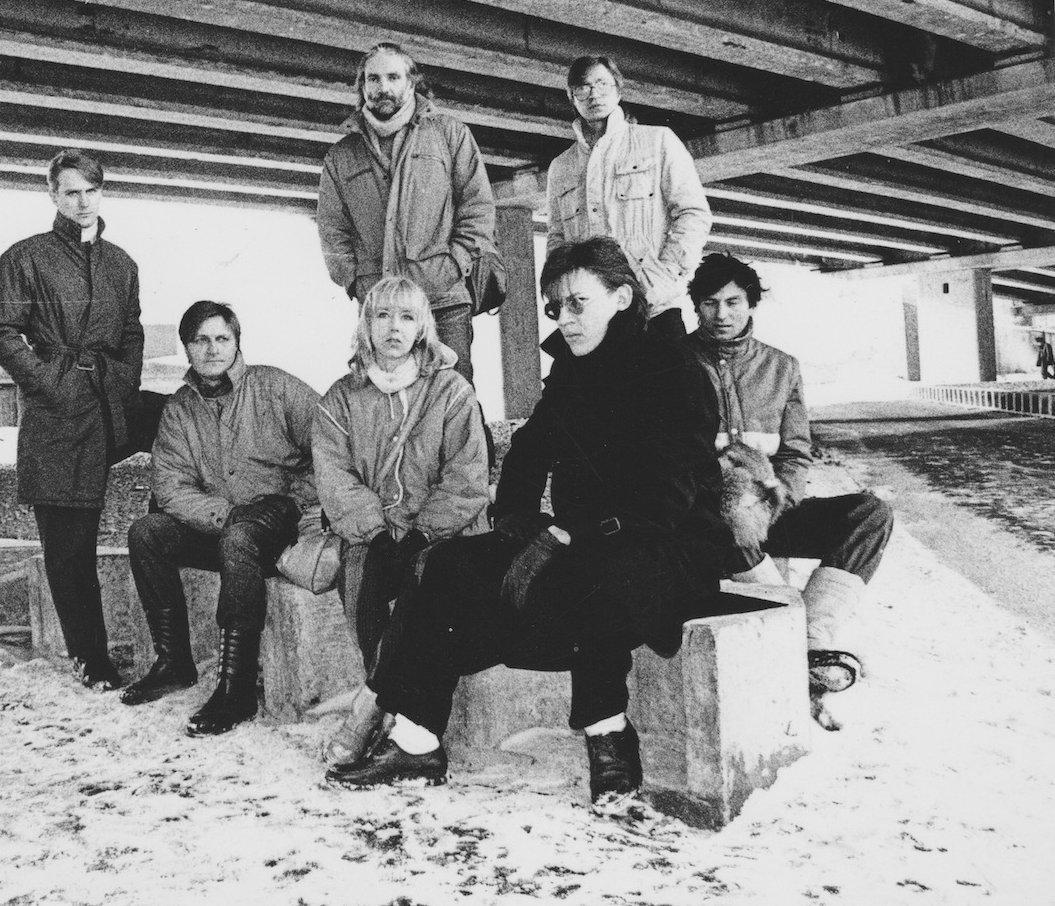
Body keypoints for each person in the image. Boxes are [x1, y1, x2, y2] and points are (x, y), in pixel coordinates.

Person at [328, 239, 728, 803]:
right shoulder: (571, 372)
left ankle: (609, 736)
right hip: (576, 536)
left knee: (598, 573)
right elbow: (528, 451)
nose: (564, 319)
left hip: (666, 543)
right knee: (447, 564)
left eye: (577, 304)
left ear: (620, 298)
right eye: (555, 307)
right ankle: (417, 742)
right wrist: (515, 518)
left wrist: (566, 534)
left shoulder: (672, 370)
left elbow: (666, 495)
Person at [684, 253, 894, 730]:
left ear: (751, 303)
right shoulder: (676, 363)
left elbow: (796, 453)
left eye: (733, 302)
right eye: (710, 303)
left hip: (770, 510)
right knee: (731, 511)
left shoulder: (782, 367)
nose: (722, 314)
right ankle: (803, 649)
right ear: (696, 306)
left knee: (870, 513)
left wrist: (780, 498)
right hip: (708, 521)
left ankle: (812, 635)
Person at [313, 276, 491, 771]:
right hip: (372, 531)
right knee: (364, 591)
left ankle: (369, 711)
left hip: (443, 530)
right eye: (383, 315)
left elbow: (467, 475)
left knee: (426, 586)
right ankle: (387, 707)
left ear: (423, 328)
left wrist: (423, 532)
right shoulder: (340, 399)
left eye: (407, 317)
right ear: (366, 325)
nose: (394, 327)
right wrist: (374, 531)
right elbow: (335, 478)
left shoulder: (452, 392)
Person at [0, 149, 144, 692]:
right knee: (69, 546)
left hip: (107, 400)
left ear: (102, 193)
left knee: (177, 419)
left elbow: (132, 332)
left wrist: (122, 382)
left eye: (91, 191)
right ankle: (91, 660)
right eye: (71, 191)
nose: (82, 201)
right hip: (56, 412)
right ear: (52, 194)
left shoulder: (122, 262)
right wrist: (51, 381)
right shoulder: (24, 258)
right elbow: (0, 332)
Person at [124, 301, 321, 735]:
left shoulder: (275, 387)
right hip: (224, 527)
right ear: (187, 349)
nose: (212, 349)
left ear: (236, 343)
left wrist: (296, 500)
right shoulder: (179, 409)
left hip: (279, 527)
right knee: (146, 532)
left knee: (241, 538)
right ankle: (173, 661)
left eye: (221, 339)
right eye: (200, 340)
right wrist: (225, 513)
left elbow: (331, 447)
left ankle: (236, 688)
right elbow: (171, 486)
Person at [317, 42, 496, 384]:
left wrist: (454, 264)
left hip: (442, 300)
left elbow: (477, 205)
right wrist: (355, 281)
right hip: (380, 309)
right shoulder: (342, 155)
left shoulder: (448, 133)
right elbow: (332, 228)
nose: (383, 87)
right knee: (386, 402)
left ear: (411, 84)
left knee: (454, 397)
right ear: (362, 87)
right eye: (373, 79)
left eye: (393, 77)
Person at [545, 56, 711, 340]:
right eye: (583, 88)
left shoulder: (658, 141)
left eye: (602, 85)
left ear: (619, 91)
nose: (594, 94)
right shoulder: (561, 167)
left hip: (653, 308)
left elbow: (693, 213)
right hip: (591, 316)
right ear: (572, 97)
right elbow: (557, 238)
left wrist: (666, 275)